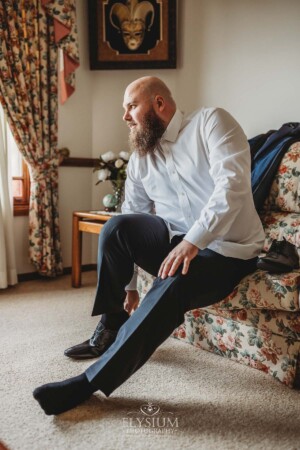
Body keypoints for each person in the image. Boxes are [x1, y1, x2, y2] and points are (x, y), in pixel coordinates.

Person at [33, 76, 265, 415]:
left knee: (176, 281)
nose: (125, 117)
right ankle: (111, 325)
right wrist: (128, 285)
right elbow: (133, 215)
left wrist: (193, 242)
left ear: (159, 103)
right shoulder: (142, 156)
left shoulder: (211, 122)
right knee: (117, 226)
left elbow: (231, 188)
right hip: (175, 241)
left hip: (229, 250)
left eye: (131, 106)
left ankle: (87, 383)